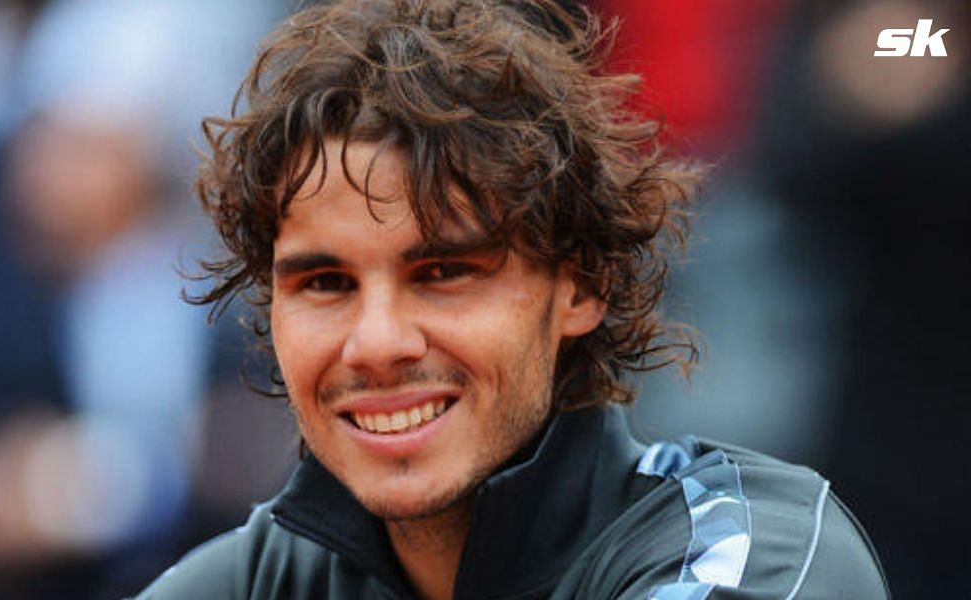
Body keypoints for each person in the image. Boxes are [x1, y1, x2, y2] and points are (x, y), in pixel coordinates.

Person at [137, 1, 890, 598]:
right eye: (325, 284)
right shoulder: (248, 580)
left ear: (583, 284)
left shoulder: (751, 549)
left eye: (444, 272)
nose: (376, 341)